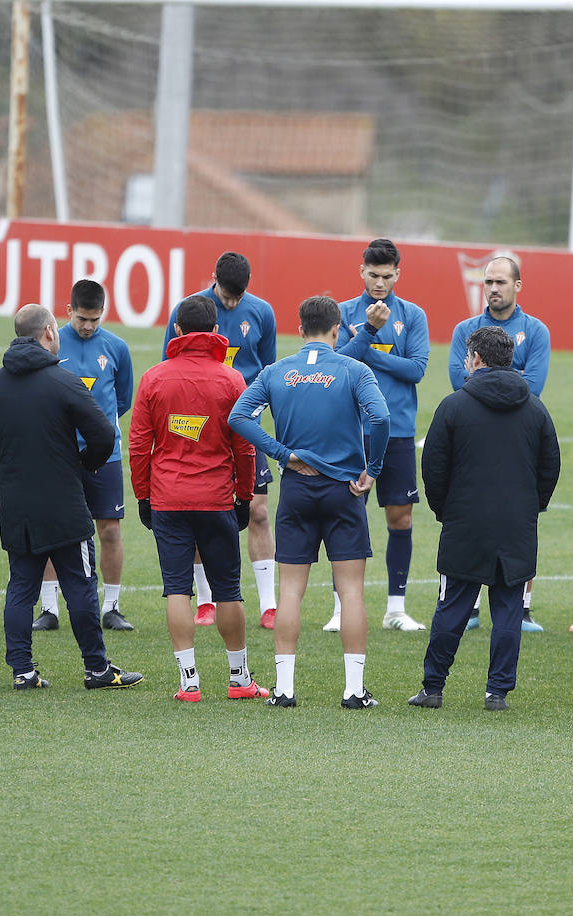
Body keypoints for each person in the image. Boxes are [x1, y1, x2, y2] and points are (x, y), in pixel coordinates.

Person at [229, 295, 390, 709]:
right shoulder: (355, 369)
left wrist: (282, 454)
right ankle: (354, 691)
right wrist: (372, 468)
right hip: (344, 491)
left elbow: (239, 417)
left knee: (290, 592)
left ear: (299, 330)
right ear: (338, 330)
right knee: (351, 590)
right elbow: (382, 418)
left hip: (297, 491)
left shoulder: (276, 371)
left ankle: (284, 690)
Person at [0, 304, 142, 691]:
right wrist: (84, 463)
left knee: (20, 586)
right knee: (80, 584)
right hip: (64, 503)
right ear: (50, 331)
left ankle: (23, 672)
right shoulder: (63, 381)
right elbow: (103, 433)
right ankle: (97, 670)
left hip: (16, 504)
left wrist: (19, 462)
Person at [409, 327, 559, 711]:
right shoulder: (537, 408)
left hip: (465, 523)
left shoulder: (454, 406)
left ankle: (433, 688)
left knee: (453, 605)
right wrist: (531, 508)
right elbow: (550, 467)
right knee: (508, 608)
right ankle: (497, 693)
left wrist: (446, 511)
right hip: (516, 526)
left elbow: (433, 467)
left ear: (476, 359)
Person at [129, 295, 268, 702]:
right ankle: (239, 679)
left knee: (177, 589)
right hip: (216, 499)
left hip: (168, 499)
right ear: (216, 332)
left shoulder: (154, 378)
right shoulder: (231, 380)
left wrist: (143, 497)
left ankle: (189, 682)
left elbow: (139, 445)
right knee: (228, 591)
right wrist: (244, 496)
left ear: (176, 330)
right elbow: (245, 448)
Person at [162, 252, 279, 629]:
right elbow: (171, 363)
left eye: (237, 298)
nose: (231, 304)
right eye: (226, 297)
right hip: (199, 421)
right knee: (200, 506)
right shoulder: (190, 310)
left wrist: (261, 417)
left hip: (244, 423)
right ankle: (206, 600)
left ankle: (269, 603)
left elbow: (268, 371)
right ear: (213, 279)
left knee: (258, 510)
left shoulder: (261, 312)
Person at [326, 238, 430, 634]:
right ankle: (339, 609)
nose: (380, 283)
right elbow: (338, 361)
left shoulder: (413, 315)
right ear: (361, 272)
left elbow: (416, 369)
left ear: (398, 274)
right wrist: (368, 334)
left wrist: (368, 346)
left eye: (387, 276)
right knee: (346, 515)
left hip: (398, 430)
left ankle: (395, 608)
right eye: (374, 275)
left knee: (399, 517)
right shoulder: (343, 312)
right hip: (352, 429)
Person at [447, 256, 550, 630]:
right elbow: (457, 380)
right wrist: (511, 374)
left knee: (519, 514)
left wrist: (485, 376)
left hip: (518, 435)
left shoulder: (536, 330)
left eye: (501, 282)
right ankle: (470, 607)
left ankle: (521, 608)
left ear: (517, 286)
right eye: (488, 282)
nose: (493, 288)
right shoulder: (465, 329)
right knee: (470, 510)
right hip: (474, 434)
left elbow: (534, 387)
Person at [32, 280, 135, 633]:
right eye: (82, 318)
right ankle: (49, 608)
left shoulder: (117, 348)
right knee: (54, 529)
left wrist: (96, 430)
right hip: (60, 453)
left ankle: (112, 606)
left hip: (104, 455)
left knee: (109, 530)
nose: (88, 325)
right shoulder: (51, 344)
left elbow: (122, 400)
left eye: (95, 318)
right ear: (68, 310)